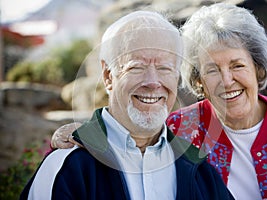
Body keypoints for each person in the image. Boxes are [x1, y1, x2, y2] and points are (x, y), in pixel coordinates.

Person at [50, 3, 267, 200]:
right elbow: (132, 129)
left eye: (237, 65)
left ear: (258, 68)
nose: (227, 80)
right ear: (198, 80)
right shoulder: (180, 127)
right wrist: (87, 134)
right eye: (212, 70)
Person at [20, 10, 234, 200]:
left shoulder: (200, 170)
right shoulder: (67, 168)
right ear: (108, 76)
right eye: (136, 67)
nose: (152, 82)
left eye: (165, 68)